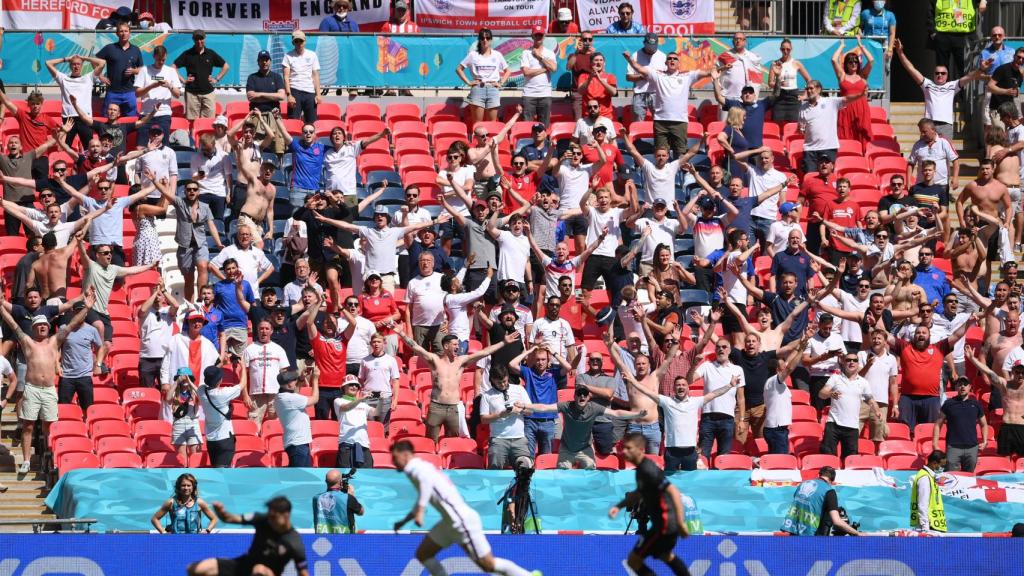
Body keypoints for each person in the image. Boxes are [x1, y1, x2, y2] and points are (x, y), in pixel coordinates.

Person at [391, 440, 540, 576]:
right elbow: (423, 495)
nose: (393, 461)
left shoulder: (414, 468)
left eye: (394, 457)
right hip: (448, 523)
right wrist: (404, 521)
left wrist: (421, 512)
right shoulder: (421, 467)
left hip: (461, 521)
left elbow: (426, 487)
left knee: (489, 565)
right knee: (423, 554)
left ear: (405, 455)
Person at [0, 289, 92, 474]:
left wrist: (87, 308)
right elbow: (13, 323)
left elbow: (73, 323)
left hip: (49, 389)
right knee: (28, 425)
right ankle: (26, 460)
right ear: (33, 328)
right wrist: (1, 306)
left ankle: (51, 457)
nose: (42, 327)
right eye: (38, 325)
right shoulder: (28, 342)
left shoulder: (54, 342)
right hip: (32, 388)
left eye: (44, 325)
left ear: (48, 327)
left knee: (49, 425)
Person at [399, 330, 519, 443]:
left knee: (452, 441)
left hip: (453, 408)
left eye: (458, 344)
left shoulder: (461, 362)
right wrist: (401, 333)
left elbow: (485, 352)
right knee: (430, 441)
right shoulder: (434, 360)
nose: (458, 347)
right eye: (455, 344)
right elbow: (415, 347)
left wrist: (504, 342)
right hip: (436, 407)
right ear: (446, 346)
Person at [608, 432, 693, 576]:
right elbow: (638, 493)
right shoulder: (641, 470)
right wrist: (619, 506)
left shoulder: (648, 469)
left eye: (629, 448)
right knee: (665, 556)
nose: (624, 451)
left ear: (641, 450)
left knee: (633, 560)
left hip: (665, 525)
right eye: (624, 448)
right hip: (663, 525)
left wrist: (680, 522)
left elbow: (673, 491)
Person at [520, 384, 646, 469]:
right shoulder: (566, 406)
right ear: (574, 396)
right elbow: (544, 407)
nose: (582, 396)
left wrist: (636, 414)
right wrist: (525, 406)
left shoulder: (594, 408)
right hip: (566, 449)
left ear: (588, 397)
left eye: (585, 394)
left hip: (585, 449)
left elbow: (616, 413)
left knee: (590, 474)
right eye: (579, 394)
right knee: (563, 477)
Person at [893, 38, 989, 141]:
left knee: (945, 155)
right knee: (927, 154)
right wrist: (900, 52)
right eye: (937, 73)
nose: (940, 75)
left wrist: (981, 69)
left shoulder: (953, 85)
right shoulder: (927, 84)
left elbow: (970, 76)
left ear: (947, 75)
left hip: (946, 126)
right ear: (933, 75)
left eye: (943, 73)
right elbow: (911, 69)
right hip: (929, 125)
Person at [188, 497, 308, 576]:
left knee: (259, 570)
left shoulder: (294, 542)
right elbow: (230, 518)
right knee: (195, 569)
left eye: (273, 517)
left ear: (286, 516)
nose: (270, 519)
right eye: (269, 515)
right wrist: (221, 513)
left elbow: (303, 572)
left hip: (267, 572)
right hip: (243, 565)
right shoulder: (262, 519)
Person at [622, 49, 709, 157]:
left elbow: (704, 73)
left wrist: (716, 71)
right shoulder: (658, 75)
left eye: (675, 59)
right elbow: (639, 68)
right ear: (665, 62)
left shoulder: (687, 76)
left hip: (680, 121)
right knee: (661, 154)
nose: (672, 60)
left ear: (679, 63)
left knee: (680, 154)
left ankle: (681, 173)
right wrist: (629, 59)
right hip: (661, 122)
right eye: (669, 58)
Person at [819, 352, 882, 459]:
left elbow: (870, 399)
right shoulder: (835, 378)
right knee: (828, 458)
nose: (851, 362)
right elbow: (821, 394)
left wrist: (877, 410)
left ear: (858, 364)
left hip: (852, 427)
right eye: (848, 360)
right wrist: (830, 394)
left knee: (850, 460)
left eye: (854, 360)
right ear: (843, 362)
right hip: (833, 424)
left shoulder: (863, 382)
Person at [799, 80, 864, 174]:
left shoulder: (830, 102)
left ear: (819, 89)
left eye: (811, 88)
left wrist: (860, 95)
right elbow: (801, 127)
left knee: (827, 177)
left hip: (828, 147)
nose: (809, 91)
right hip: (810, 149)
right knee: (810, 177)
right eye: (807, 88)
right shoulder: (803, 108)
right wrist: (802, 130)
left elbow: (846, 99)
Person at [971, 347, 1024, 458]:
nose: (1020, 375)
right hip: (1006, 427)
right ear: (1012, 371)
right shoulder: (1004, 385)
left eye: (1023, 372)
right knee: (1004, 460)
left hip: (1022, 428)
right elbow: (989, 372)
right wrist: (972, 359)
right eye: (1018, 372)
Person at [45, 53, 105, 148]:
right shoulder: (63, 78)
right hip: (69, 119)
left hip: (85, 118)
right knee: (65, 148)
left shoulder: (89, 78)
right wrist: (66, 59)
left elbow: (102, 63)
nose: (76, 66)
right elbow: (48, 63)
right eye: (73, 64)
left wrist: (84, 58)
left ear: (82, 66)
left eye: (79, 64)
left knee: (88, 148)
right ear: (70, 65)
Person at [780, 466, 861, 535]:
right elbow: (836, 521)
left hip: (794, 530)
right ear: (832, 481)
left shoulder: (803, 484)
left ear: (818, 475)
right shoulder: (829, 491)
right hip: (811, 536)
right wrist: (857, 533)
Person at [480, 364, 532, 469]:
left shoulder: (519, 389)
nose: (503, 385)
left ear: (507, 377)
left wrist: (520, 410)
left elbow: (530, 411)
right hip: (498, 439)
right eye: (499, 383)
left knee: (526, 467)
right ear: (493, 380)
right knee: (494, 470)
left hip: (519, 438)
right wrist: (500, 414)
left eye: (504, 381)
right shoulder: (487, 395)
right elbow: (483, 419)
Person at [932, 375, 988, 472]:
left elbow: (984, 424)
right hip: (953, 447)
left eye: (965, 384)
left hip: (972, 447)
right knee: (952, 477)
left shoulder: (976, 404)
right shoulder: (949, 403)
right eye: (960, 384)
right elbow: (938, 423)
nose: (962, 386)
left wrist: (985, 441)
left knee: (969, 478)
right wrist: (935, 443)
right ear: (956, 386)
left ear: (970, 387)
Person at [240, 320, 290, 426]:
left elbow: (284, 373)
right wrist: (245, 394)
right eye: (261, 328)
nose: (264, 331)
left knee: (275, 426)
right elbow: (243, 374)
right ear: (257, 331)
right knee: (253, 426)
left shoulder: (279, 349)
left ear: (271, 331)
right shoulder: (249, 349)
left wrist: (283, 393)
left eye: (267, 328)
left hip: (275, 394)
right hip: (256, 394)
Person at [456, 28, 510, 127]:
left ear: (491, 40)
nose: (485, 40)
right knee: (478, 125)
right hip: (478, 89)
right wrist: (468, 82)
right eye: (482, 38)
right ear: (479, 40)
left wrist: (501, 83)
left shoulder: (497, 55)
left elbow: (508, 71)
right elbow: (459, 69)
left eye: (487, 38)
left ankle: (489, 143)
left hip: (493, 89)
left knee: (492, 125)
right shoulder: (473, 55)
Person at [57, 300, 102, 411]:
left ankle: (87, 428)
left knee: (88, 408)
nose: (80, 314)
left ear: (86, 313)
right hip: (67, 376)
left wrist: (98, 364)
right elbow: (56, 347)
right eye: (78, 311)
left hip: (85, 376)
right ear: (73, 312)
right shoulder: (64, 329)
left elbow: (100, 347)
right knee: (63, 409)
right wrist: (56, 364)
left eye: (82, 311)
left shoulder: (92, 330)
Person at [174, 31, 228, 120]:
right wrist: (183, 80)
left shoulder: (210, 53)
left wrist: (216, 79)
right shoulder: (187, 54)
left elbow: (226, 66)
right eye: (197, 39)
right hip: (192, 94)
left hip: (208, 93)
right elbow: (173, 67)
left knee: (208, 123)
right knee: (192, 123)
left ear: (205, 39)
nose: (199, 41)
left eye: (201, 39)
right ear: (193, 40)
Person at [134, 45, 181, 146]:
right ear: (154, 56)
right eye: (159, 59)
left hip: (163, 114)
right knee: (140, 147)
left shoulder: (171, 71)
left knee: (163, 147)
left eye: (163, 60)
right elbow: (137, 93)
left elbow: (178, 94)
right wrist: (152, 86)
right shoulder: (144, 70)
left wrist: (169, 86)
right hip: (146, 114)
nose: (161, 62)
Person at [832, 37, 874, 146]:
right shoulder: (842, 76)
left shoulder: (863, 75)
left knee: (862, 137)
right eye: (850, 62)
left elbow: (871, 60)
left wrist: (861, 46)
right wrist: (841, 46)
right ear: (846, 64)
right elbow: (833, 60)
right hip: (846, 110)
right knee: (845, 137)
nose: (853, 63)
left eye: (856, 61)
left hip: (861, 110)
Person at [926, 0, 982, 81]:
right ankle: (944, 92)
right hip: (943, 35)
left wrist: (984, 1)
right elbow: (929, 13)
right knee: (942, 69)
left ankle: (963, 93)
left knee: (965, 69)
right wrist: (933, 33)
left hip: (963, 36)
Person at [96, 22, 143, 115]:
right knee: (107, 120)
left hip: (130, 92)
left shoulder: (136, 50)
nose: (124, 33)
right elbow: (95, 60)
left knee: (131, 121)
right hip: (112, 92)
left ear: (130, 33)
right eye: (121, 31)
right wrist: (100, 76)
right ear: (117, 33)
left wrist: (134, 71)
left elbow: (141, 68)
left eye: (126, 31)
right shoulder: (110, 48)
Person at [275, 369, 319, 467]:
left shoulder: (281, 397)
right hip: (298, 444)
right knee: (299, 478)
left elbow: (296, 393)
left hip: (297, 443)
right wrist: (315, 380)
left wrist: (301, 379)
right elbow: (315, 399)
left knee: (299, 477)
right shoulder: (290, 399)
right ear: (289, 384)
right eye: (294, 380)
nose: (295, 381)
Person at [334, 374, 378, 469]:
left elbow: (376, 413)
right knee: (345, 476)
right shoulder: (338, 400)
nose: (354, 387)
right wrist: (361, 398)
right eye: (350, 384)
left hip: (364, 444)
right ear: (343, 387)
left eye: (356, 385)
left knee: (367, 475)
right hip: (346, 444)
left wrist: (382, 400)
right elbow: (346, 407)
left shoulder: (363, 404)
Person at [151, 473, 216, 534]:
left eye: (189, 485)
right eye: (183, 485)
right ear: (178, 487)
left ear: (193, 487)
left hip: (195, 540)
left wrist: (207, 530)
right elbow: (154, 519)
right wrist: (163, 532)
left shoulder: (199, 502)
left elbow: (214, 519)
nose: (186, 488)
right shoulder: (171, 502)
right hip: (176, 541)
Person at [768, 38, 811, 123]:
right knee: (777, 122)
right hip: (780, 96)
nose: (785, 51)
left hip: (793, 96)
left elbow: (809, 80)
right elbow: (770, 83)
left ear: (791, 49)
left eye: (788, 49)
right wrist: (779, 83)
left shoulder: (796, 63)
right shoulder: (775, 63)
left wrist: (805, 95)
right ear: (780, 49)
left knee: (794, 124)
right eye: (783, 49)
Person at [520, 26, 556, 126]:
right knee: (527, 126)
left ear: (544, 36)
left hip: (545, 94)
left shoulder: (549, 53)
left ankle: (544, 142)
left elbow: (553, 68)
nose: (538, 37)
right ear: (532, 36)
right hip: (529, 94)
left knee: (544, 126)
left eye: (540, 35)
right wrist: (544, 69)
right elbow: (526, 72)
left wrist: (540, 57)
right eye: (536, 35)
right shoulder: (526, 53)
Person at [283, 30, 321, 123]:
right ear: (293, 42)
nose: (299, 43)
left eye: (301, 41)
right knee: (293, 122)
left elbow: (315, 76)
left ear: (305, 41)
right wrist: (289, 95)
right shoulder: (288, 56)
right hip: (295, 91)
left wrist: (318, 94)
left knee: (312, 123)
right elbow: (286, 77)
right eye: (296, 41)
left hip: (310, 92)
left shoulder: (312, 55)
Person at [167, 367, 203, 464]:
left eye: (187, 377)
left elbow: (202, 397)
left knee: (195, 456)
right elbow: (168, 399)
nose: (184, 379)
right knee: (181, 458)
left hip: (192, 423)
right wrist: (176, 382)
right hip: (179, 424)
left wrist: (190, 383)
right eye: (182, 377)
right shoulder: (175, 392)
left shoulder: (194, 392)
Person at [313, 468, 365, 535]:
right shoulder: (348, 498)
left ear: (326, 481)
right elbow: (361, 512)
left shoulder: (316, 498)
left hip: (323, 541)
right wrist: (352, 496)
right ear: (340, 482)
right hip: (344, 541)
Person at [628, 33, 666, 123]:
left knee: (660, 121)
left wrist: (658, 76)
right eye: (649, 46)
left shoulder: (663, 56)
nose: (651, 49)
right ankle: (638, 137)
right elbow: (629, 77)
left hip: (657, 93)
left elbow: (667, 76)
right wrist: (642, 76)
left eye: (654, 46)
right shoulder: (635, 55)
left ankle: (659, 137)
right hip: (639, 93)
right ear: (644, 43)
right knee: (638, 122)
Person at [911, 450, 948, 532]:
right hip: (929, 527)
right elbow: (922, 504)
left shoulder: (930, 477)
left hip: (934, 525)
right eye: (942, 466)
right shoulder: (924, 478)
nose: (942, 468)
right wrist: (925, 528)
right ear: (934, 463)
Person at [717, 32, 762, 100]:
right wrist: (723, 68)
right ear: (733, 41)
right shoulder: (725, 56)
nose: (738, 41)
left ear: (745, 41)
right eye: (736, 39)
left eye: (740, 39)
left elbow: (758, 76)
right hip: (728, 97)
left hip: (746, 98)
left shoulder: (752, 57)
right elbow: (714, 71)